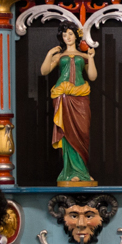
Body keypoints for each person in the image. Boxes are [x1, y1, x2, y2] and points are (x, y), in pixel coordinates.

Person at [41, 25, 97, 186]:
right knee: (68, 133)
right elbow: (44, 71)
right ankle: (70, 172)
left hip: (81, 95)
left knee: (82, 133)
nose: (68, 37)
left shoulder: (83, 56)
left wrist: (91, 58)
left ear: (76, 36)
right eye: (65, 35)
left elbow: (92, 76)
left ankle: (82, 172)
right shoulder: (59, 56)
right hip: (64, 95)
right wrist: (49, 54)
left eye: (71, 34)